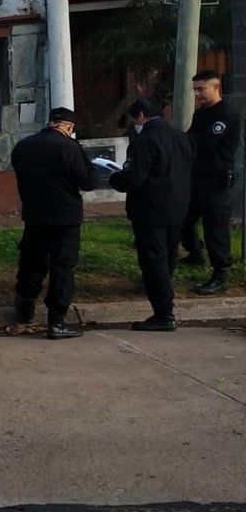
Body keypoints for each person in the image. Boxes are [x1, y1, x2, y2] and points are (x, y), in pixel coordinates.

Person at [10, 108, 97, 339]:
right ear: (69, 127)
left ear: (50, 122)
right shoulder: (69, 147)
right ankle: (56, 321)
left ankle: (25, 308)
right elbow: (88, 182)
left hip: (35, 214)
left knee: (31, 260)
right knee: (62, 266)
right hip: (65, 217)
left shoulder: (24, 146)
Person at [109, 99, 196, 331]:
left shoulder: (144, 141)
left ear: (140, 116)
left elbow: (134, 178)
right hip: (178, 206)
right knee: (169, 253)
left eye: (134, 120)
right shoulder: (181, 137)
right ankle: (165, 292)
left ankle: (163, 313)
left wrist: (115, 178)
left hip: (150, 209)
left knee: (153, 260)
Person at [180, 70, 241, 294]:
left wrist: (188, 142)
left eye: (201, 89)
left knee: (215, 227)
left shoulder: (226, 113)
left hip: (216, 180)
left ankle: (220, 274)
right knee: (183, 218)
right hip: (197, 177)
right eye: (195, 90)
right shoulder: (201, 114)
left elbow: (205, 142)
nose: (197, 94)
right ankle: (195, 253)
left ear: (216, 88)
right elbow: (190, 138)